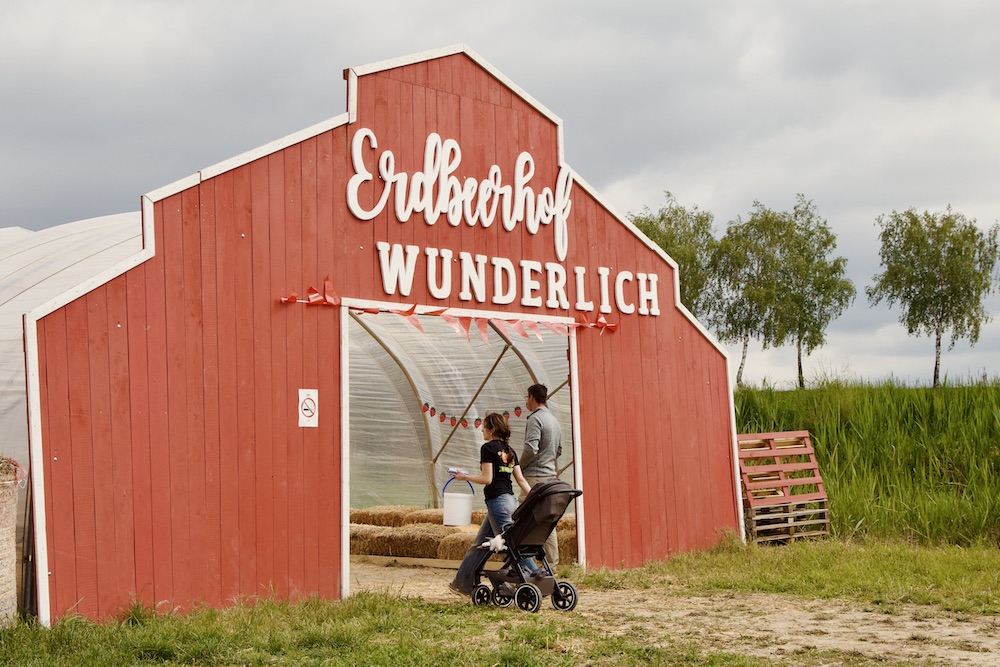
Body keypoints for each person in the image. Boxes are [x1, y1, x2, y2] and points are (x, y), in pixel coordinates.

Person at [449, 412, 533, 596]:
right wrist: (535, 496)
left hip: (497, 503)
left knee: (513, 544)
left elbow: (487, 479)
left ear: (492, 429)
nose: (481, 429)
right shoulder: (509, 451)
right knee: (480, 544)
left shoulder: (487, 448)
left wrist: (464, 477)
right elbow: (520, 479)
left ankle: (535, 576)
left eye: (484, 426)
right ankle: (461, 582)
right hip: (509, 501)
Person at [518, 383, 562, 566]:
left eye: (526, 399)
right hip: (550, 476)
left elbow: (530, 448)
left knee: (520, 517)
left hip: (534, 478)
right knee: (546, 522)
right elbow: (558, 450)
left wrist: (518, 467)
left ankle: (522, 563)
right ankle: (552, 563)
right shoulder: (554, 420)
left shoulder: (535, 419)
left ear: (531, 398)